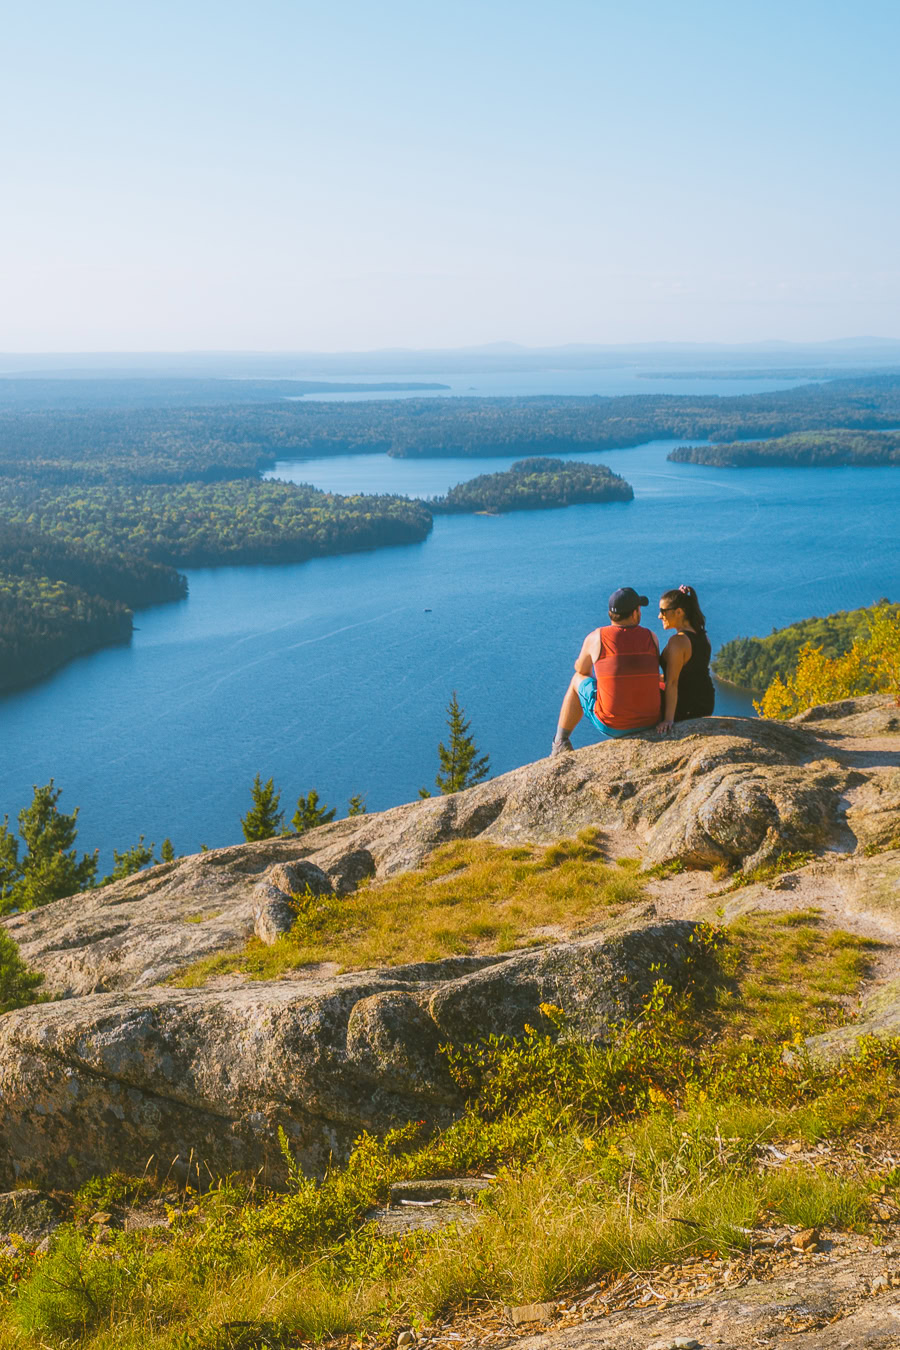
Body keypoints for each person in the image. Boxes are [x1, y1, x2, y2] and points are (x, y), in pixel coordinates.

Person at [551, 586, 662, 755]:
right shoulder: (651, 636)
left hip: (612, 725)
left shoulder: (596, 637)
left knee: (577, 678)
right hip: (651, 720)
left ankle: (560, 742)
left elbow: (582, 669)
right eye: (639, 609)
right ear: (634, 614)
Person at [657, 584, 715, 734]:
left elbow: (673, 682)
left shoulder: (678, 641)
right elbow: (689, 675)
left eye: (663, 611)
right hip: (705, 702)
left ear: (679, 612)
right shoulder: (703, 636)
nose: (659, 616)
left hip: (686, 706)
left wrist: (668, 719)